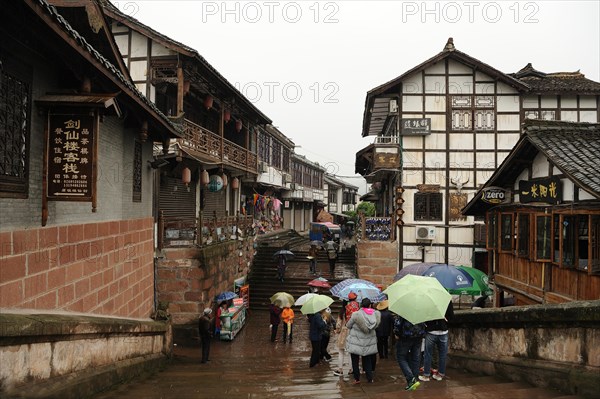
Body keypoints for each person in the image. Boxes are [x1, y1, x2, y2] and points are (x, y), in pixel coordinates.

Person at [345, 298, 380, 384]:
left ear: (361, 305)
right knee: (367, 360)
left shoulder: (356, 314)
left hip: (356, 341)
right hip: (368, 342)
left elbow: (348, 325)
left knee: (355, 360)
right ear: (370, 305)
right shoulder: (375, 314)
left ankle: (357, 379)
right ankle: (369, 378)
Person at [419, 301, 454, 382]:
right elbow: (451, 316)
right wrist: (445, 322)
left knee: (428, 354)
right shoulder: (447, 300)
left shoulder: (428, 300)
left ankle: (426, 375)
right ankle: (440, 374)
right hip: (443, 331)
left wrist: (427, 325)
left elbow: (424, 315)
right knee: (442, 354)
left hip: (431, 331)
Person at [394, 314, 425, 391]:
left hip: (406, 336)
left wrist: (397, 333)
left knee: (401, 357)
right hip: (418, 335)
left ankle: (411, 379)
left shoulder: (403, 311)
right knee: (416, 357)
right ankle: (415, 378)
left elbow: (398, 324)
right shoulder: (421, 310)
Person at [333, 301, 349, 377]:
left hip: (343, 333)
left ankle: (340, 369)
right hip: (351, 333)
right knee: (350, 353)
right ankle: (351, 369)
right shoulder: (353, 311)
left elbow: (338, 324)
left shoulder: (342, 312)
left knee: (341, 351)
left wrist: (337, 330)